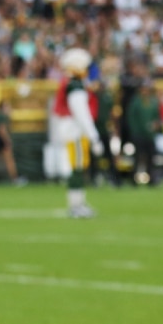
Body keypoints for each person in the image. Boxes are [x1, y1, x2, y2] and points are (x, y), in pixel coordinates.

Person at [56, 48, 101, 218]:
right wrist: (94, 137)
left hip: (73, 129)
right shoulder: (74, 86)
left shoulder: (71, 84)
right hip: (75, 130)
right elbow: (82, 114)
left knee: (78, 166)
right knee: (77, 167)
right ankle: (76, 205)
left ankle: (78, 203)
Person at [126, 80, 163, 186]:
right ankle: (134, 179)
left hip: (150, 134)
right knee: (137, 157)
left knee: (151, 157)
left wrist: (156, 125)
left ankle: (152, 178)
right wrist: (135, 131)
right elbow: (131, 118)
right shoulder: (136, 101)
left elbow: (157, 116)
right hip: (139, 134)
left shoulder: (153, 101)